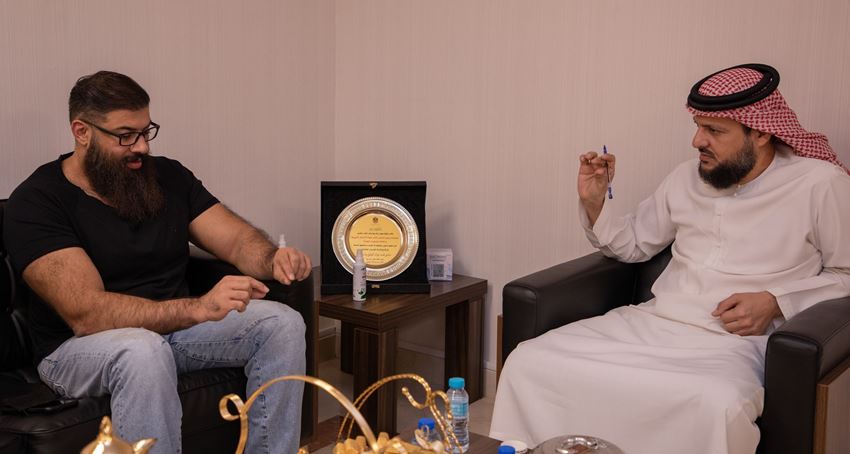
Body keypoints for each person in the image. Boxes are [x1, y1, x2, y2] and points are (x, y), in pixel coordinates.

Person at [490, 63, 850, 454]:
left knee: (716, 403)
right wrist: (594, 202)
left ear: (761, 132)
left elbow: (845, 273)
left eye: (714, 131)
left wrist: (775, 301)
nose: (697, 141)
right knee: (530, 360)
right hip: (653, 322)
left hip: (735, 343)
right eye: (697, 126)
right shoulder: (685, 177)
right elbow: (632, 246)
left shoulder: (819, 184)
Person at [2, 71, 313, 454]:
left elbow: (234, 239)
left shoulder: (166, 176)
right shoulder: (38, 202)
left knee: (281, 324)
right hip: (78, 348)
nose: (142, 147)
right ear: (82, 132)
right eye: (125, 135)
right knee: (142, 350)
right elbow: (87, 313)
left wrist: (271, 257)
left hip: (171, 332)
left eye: (146, 131)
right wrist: (198, 308)